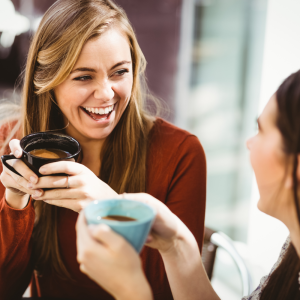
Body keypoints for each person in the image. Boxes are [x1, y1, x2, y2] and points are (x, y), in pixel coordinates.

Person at [0, 1, 206, 299]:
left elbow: (169, 292)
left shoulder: (181, 153)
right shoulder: (11, 141)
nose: (107, 93)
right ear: (48, 81)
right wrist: (15, 203)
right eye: (84, 77)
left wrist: (114, 209)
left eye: (119, 72)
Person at [76, 70, 300, 300]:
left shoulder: (182, 150)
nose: (249, 143)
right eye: (83, 77)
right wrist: (176, 244)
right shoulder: (293, 252)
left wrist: (131, 291)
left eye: (260, 131)